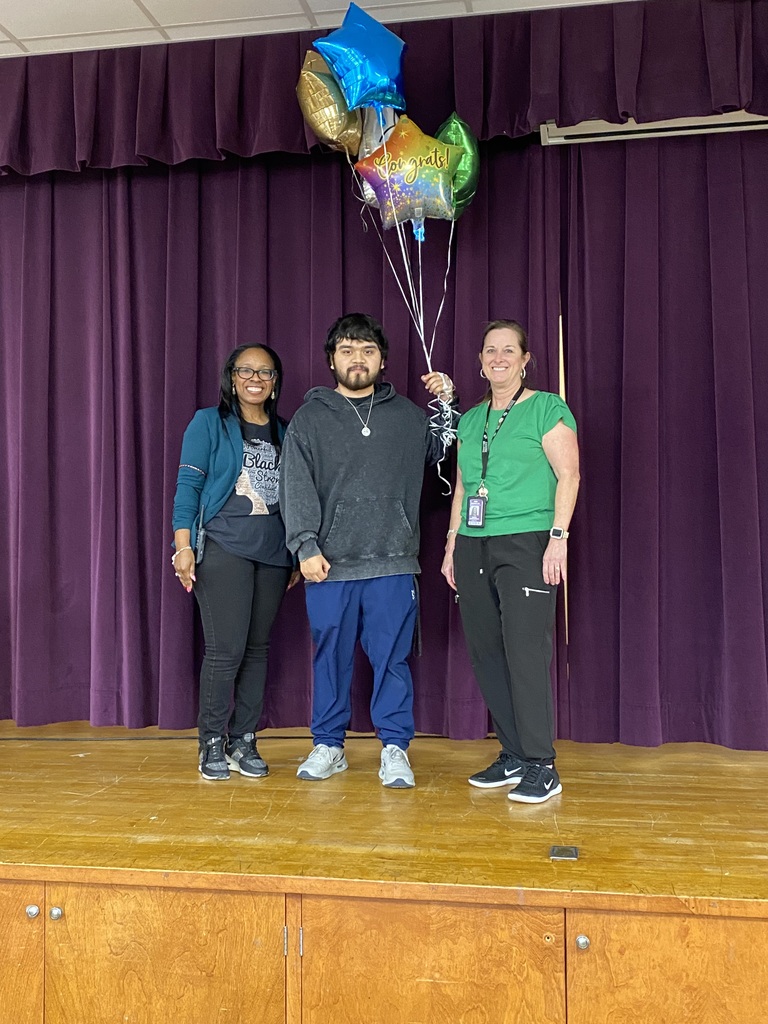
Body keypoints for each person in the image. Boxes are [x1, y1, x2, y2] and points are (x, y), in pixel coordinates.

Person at [279, 313, 458, 789]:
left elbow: (443, 454)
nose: (357, 359)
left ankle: (394, 748)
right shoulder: (310, 419)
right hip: (329, 564)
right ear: (331, 360)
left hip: (392, 561)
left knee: (392, 660)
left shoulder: (408, 417)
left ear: (382, 360)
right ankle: (329, 745)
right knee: (330, 659)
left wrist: (448, 402)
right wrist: (304, 545)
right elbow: (294, 485)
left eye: (367, 350)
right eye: (347, 350)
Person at [441, 320, 579, 804]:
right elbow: (463, 487)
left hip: (526, 542)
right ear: (480, 361)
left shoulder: (546, 408)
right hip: (474, 543)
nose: (498, 358)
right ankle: (515, 753)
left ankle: (542, 764)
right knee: (487, 653)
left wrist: (558, 539)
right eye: (489, 350)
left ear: (525, 360)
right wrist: (451, 544)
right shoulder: (470, 420)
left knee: (525, 652)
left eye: (508, 350)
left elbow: (569, 475)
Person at [172, 344, 297, 781]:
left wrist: (296, 554)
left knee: (257, 650)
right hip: (224, 548)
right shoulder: (208, 423)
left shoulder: (285, 431)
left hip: (274, 553)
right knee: (225, 651)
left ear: (275, 381)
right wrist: (182, 546)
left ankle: (243, 739)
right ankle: (211, 741)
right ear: (231, 377)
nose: (255, 379)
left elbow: (298, 495)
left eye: (265, 372)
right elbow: (188, 487)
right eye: (246, 370)